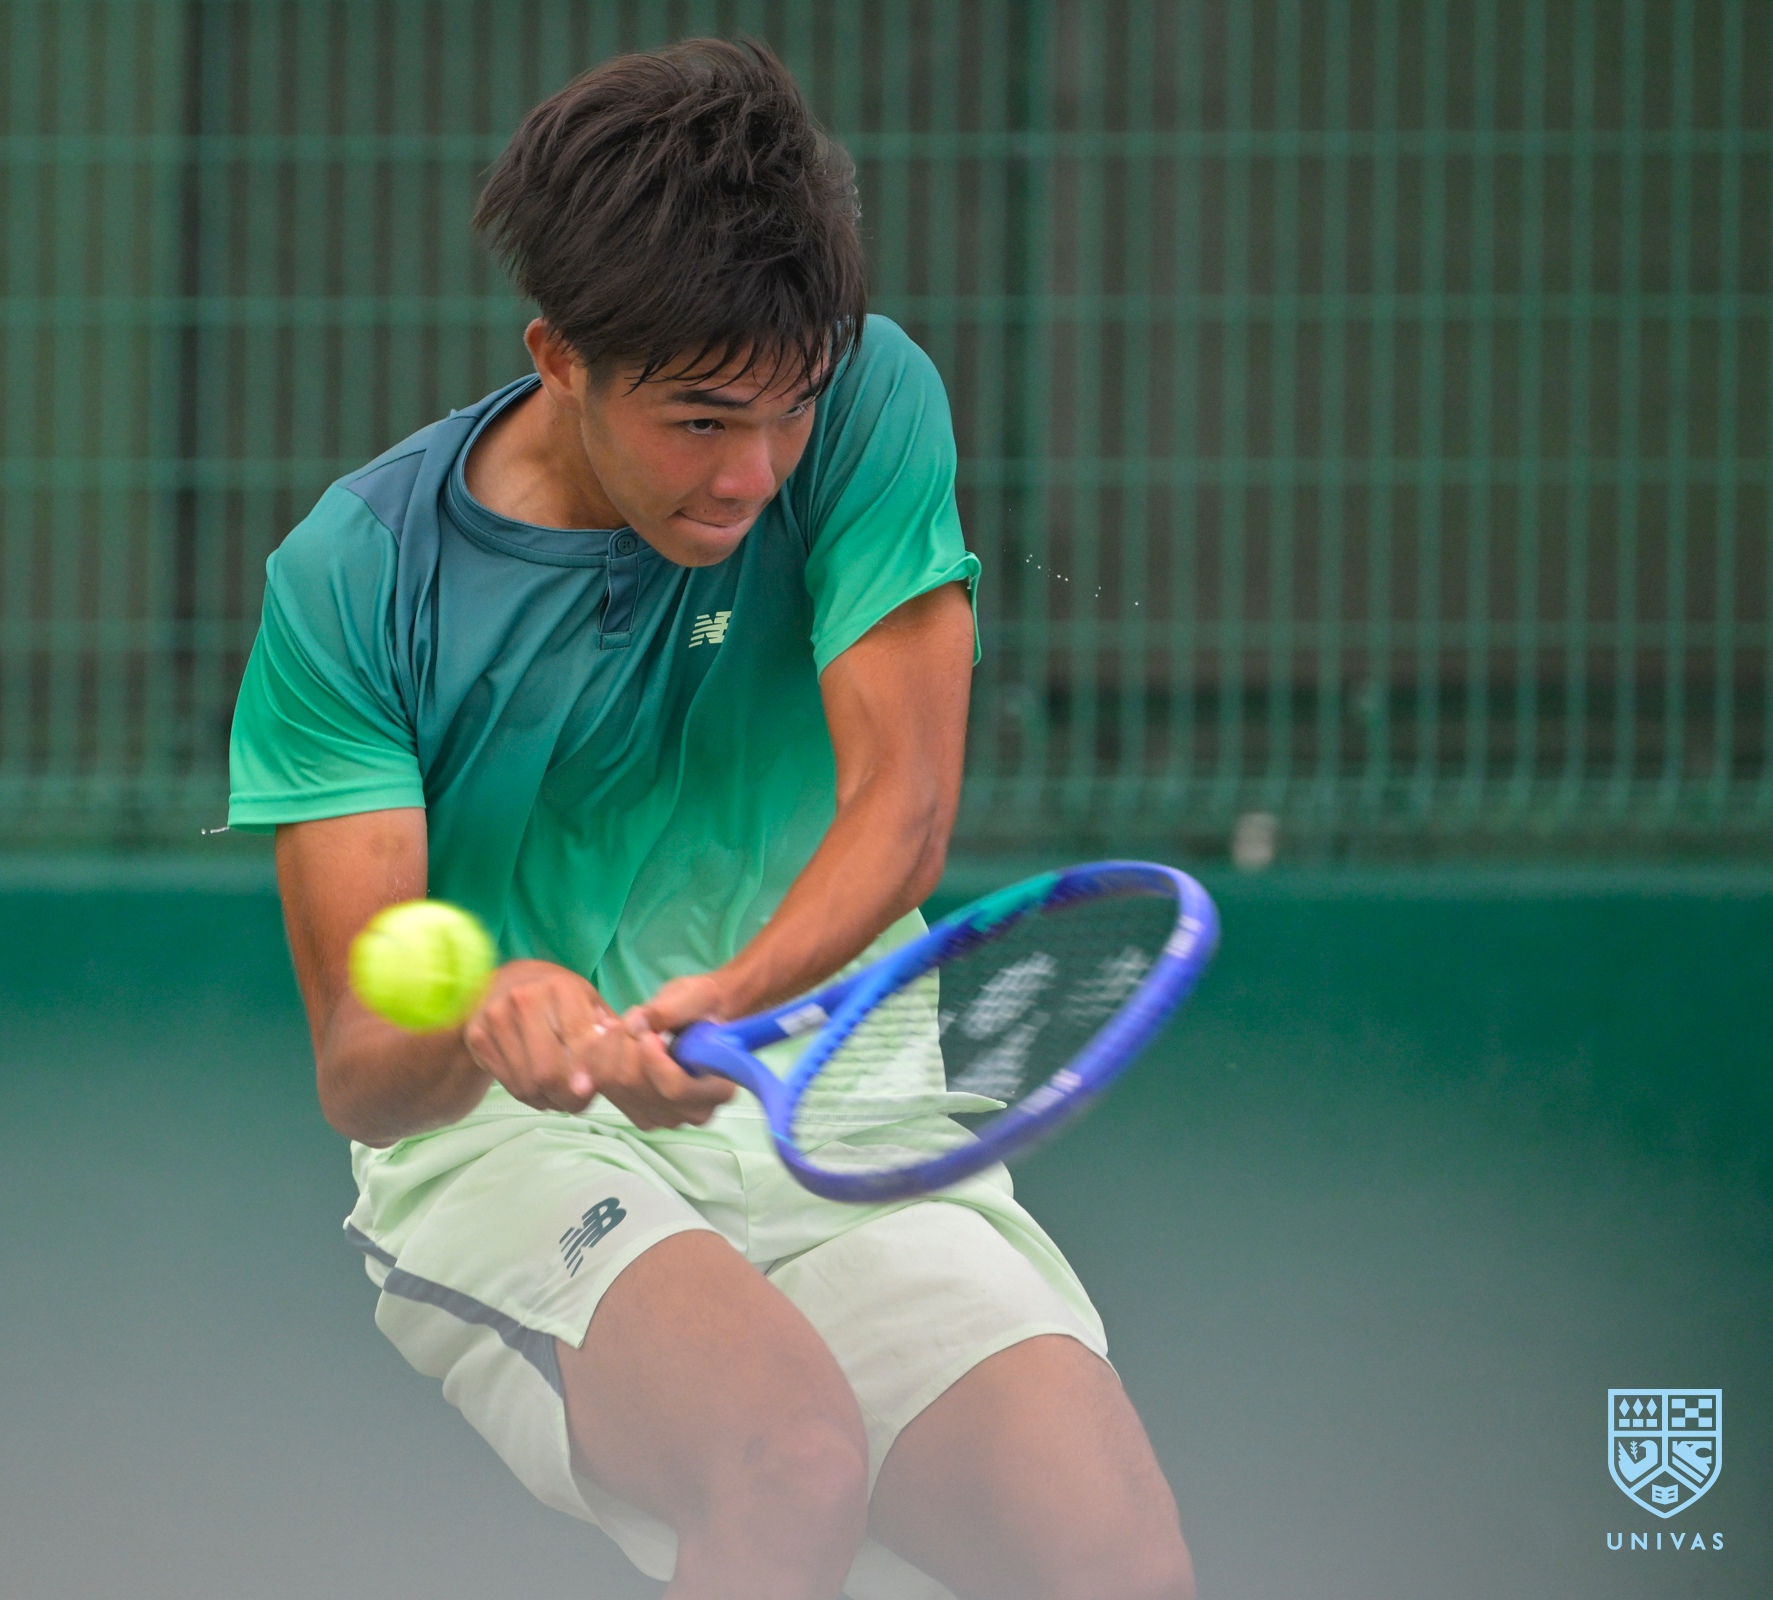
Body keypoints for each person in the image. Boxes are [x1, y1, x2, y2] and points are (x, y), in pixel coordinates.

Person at [225, 38, 1193, 1600]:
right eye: (696, 420)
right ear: (558, 357)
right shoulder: (354, 580)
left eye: (787, 411)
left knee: (1111, 1558)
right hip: (513, 1145)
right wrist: (487, 1014)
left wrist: (720, 1005)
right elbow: (359, 1064)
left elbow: (901, 807)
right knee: (785, 1462)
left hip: (836, 1090)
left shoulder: (873, 398)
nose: (751, 474)